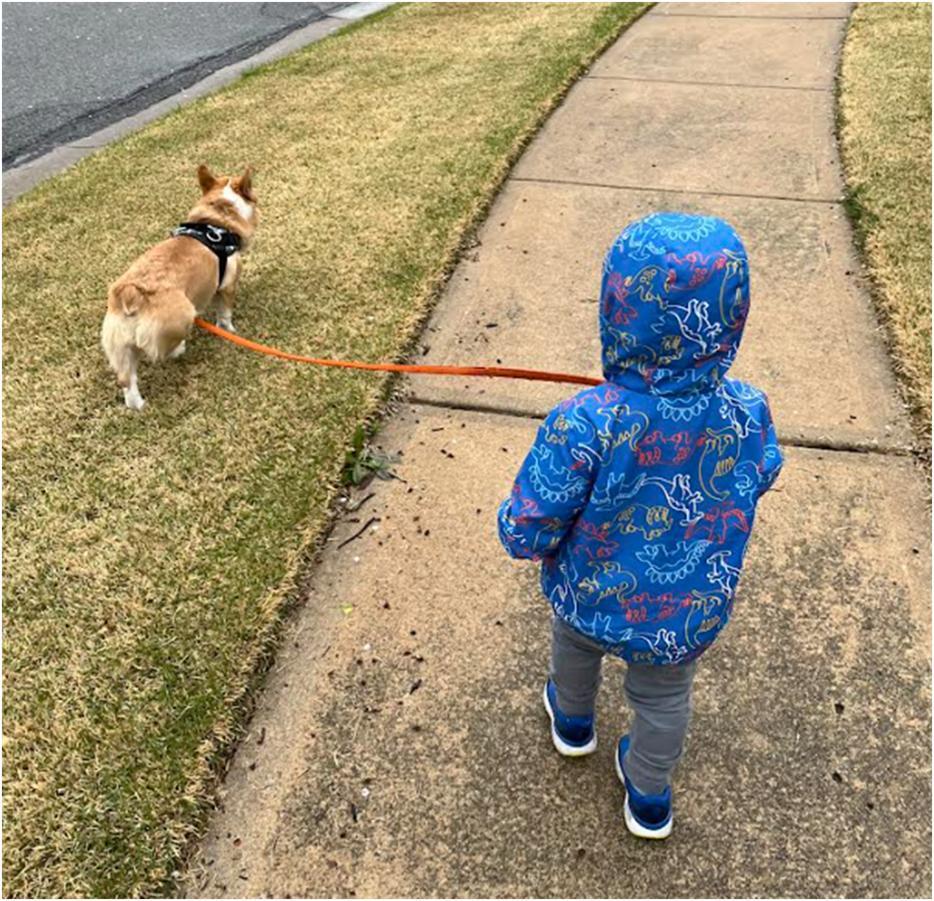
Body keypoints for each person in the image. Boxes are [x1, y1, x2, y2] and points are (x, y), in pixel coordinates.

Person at [497, 212, 783, 839]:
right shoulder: (747, 410)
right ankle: (649, 795)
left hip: (588, 593)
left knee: (574, 649)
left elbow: (529, 525)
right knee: (663, 698)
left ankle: (573, 723)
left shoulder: (585, 420)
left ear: (617, 308)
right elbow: (762, 471)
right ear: (733, 315)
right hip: (684, 609)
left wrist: (518, 530)